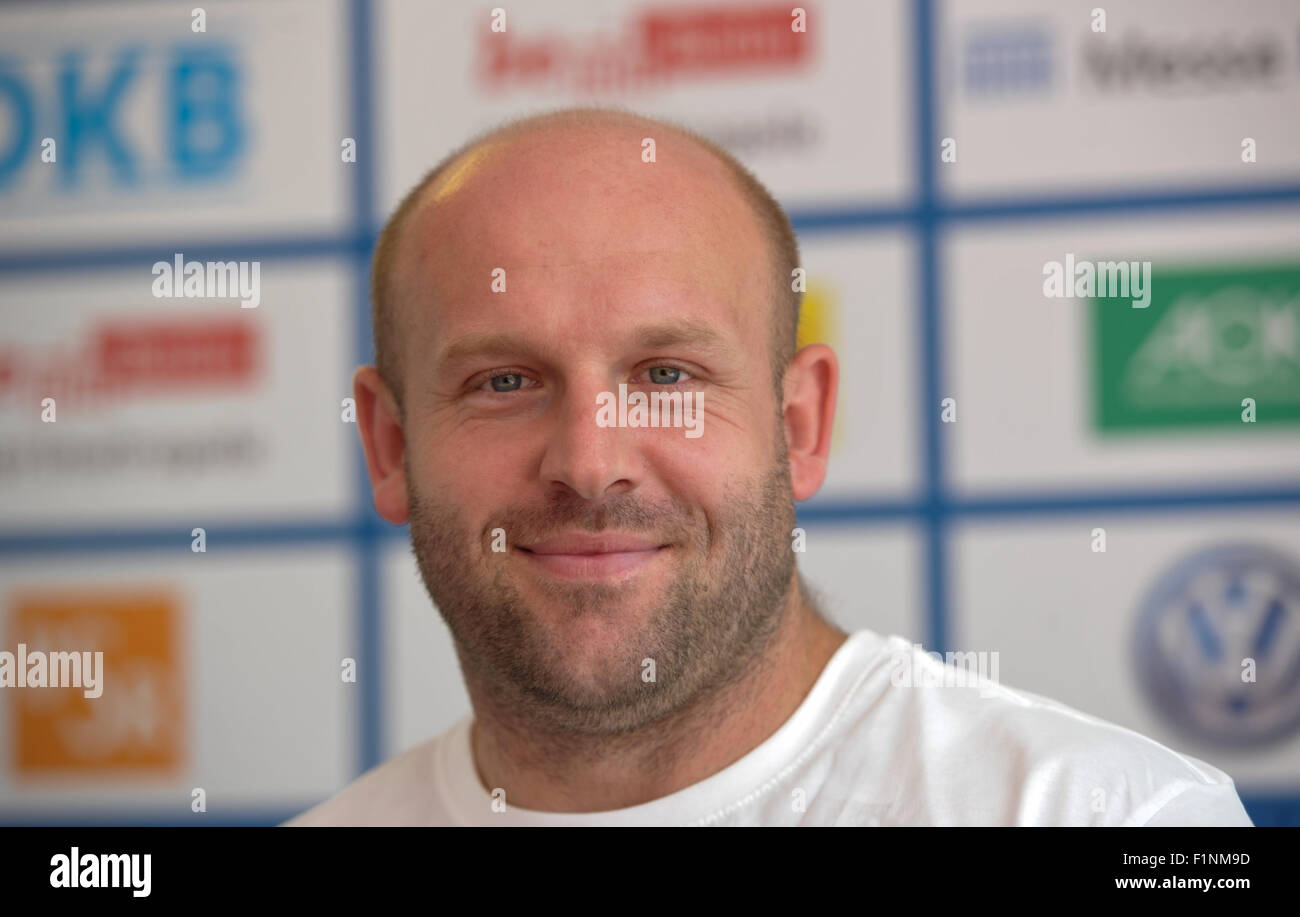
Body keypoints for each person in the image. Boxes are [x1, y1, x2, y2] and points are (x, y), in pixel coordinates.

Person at [286, 107, 1252, 826]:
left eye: (667, 373)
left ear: (799, 424)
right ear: (391, 444)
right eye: (504, 380)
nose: (590, 462)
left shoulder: (1123, 820)